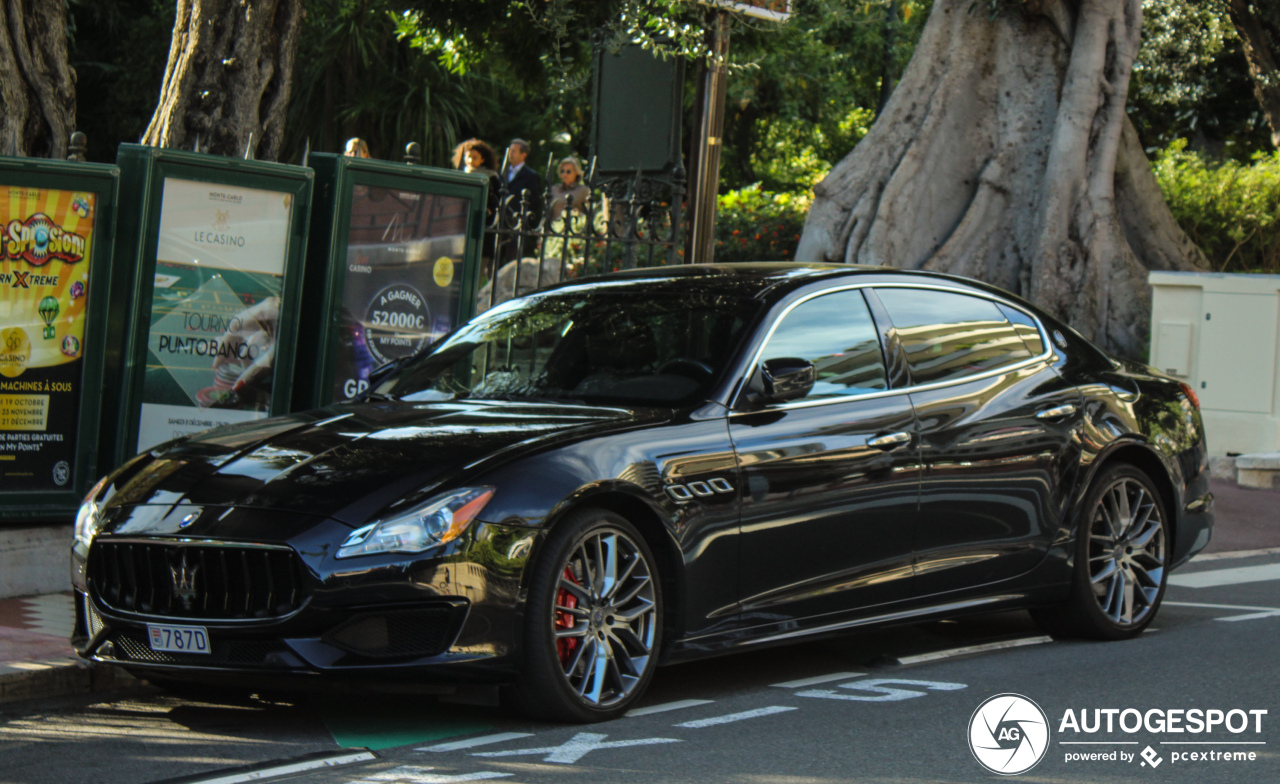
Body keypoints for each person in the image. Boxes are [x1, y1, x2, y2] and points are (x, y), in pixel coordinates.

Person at [548, 156, 590, 223]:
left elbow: (590, 213)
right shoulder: (554, 189)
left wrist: (580, 215)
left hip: (574, 229)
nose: (564, 174)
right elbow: (547, 213)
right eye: (562, 171)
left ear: (576, 173)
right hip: (554, 230)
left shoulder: (583, 190)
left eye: (568, 171)